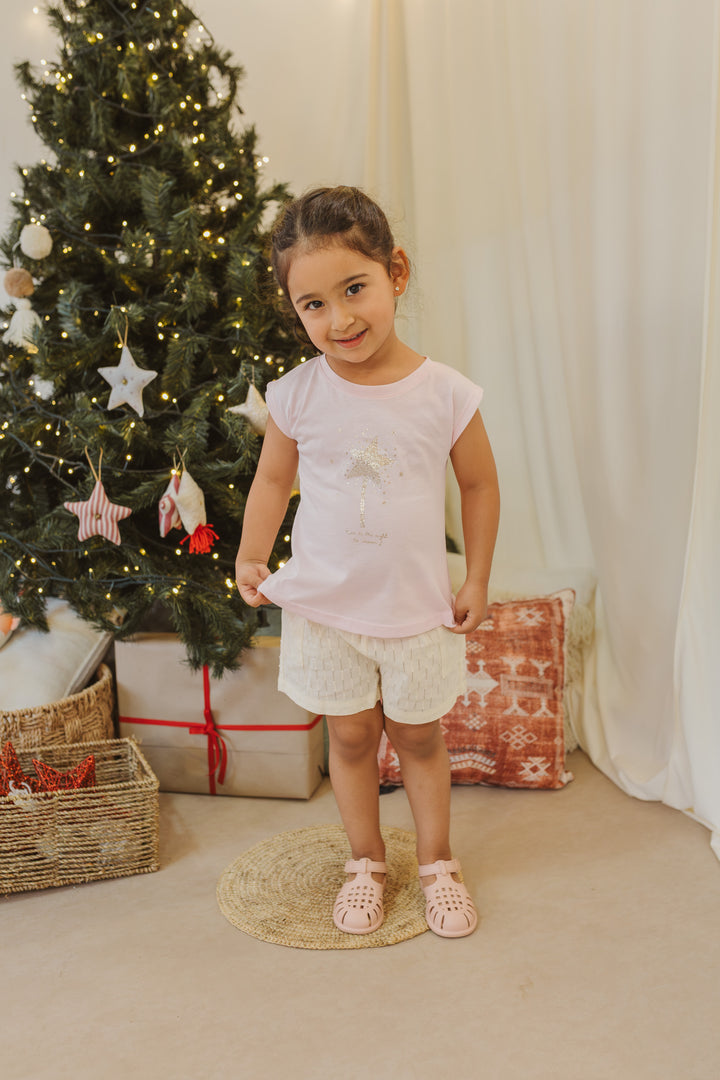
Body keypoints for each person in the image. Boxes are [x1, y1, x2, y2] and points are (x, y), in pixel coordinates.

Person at [235, 186, 499, 938]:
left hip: (414, 610)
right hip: (328, 609)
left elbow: (479, 485)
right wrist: (252, 554)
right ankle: (366, 861)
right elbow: (272, 482)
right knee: (350, 738)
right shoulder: (296, 395)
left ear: (396, 273)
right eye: (313, 304)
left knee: (417, 738)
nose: (339, 319)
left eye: (354, 289)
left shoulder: (445, 393)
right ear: (295, 309)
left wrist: (477, 577)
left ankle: (438, 862)